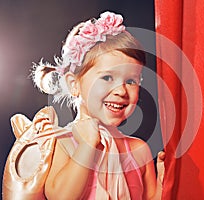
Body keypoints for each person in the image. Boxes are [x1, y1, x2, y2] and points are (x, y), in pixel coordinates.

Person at [10, 11, 165, 199]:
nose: (122, 91)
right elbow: (61, 197)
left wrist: (162, 184)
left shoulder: (138, 150)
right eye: (107, 77)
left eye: (131, 81)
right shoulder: (61, 143)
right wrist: (87, 146)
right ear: (74, 85)